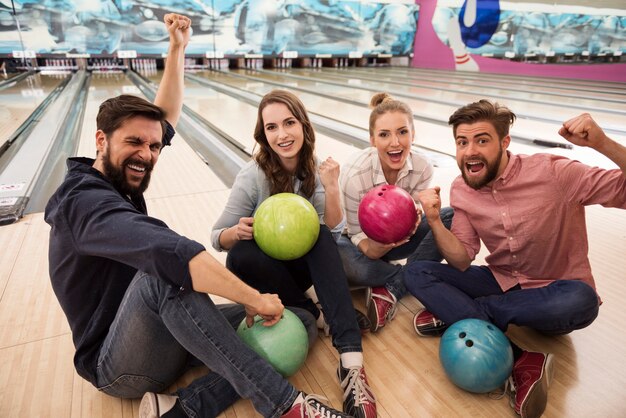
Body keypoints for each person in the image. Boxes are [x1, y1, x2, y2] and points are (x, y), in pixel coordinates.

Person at [45, 14, 353, 418]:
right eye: (134, 142)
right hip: (118, 362)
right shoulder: (81, 201)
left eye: (154, 146)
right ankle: (286, 405)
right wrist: (253, 298)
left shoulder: (120, 176)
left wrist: (177, 48)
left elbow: (164, 117)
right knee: (164, 274)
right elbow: (171, 253)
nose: (148, 153)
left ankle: (183, 409)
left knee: (297, 320)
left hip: (166, 332)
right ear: (100, 140)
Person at [404, 99, 626, 418]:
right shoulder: (462, 188)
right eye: (462, 142)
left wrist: (602, 143)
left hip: (555, 294)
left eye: (482, 140)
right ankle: (523, 359)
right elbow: (462, 259)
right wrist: (436, 220)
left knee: (583, 300)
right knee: (417, 273)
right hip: (502, 281)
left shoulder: (555, 172)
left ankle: (464, 315)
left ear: (504, 142)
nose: (470, 151)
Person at [211, 89, 377, 418]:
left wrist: (331, 186)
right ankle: (315, 312)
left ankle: (351, 363)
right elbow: (217, 237)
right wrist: (237, 232)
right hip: (267, 270)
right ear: (263, 134)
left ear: (303, 125)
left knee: (319, 237)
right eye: (272, 127)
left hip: (306, 264)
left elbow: (332, 232)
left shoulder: (317, 168)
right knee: (240, 255)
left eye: (289, 123)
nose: (282, 134)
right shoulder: (252, 175)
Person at [338, 92, 453, 332]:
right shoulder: (355, 175)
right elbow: (358, 236)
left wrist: (425, 215)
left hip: (401, 237)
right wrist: (383, 246)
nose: (395, 142)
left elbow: (419, 221)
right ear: (372, 139)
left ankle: (391, 287)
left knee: (450, 217)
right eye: (384, 135)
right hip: (360, 244)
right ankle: (412, 277)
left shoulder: (422, 167)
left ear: (413, 134)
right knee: (348, 262)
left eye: (402, 132)